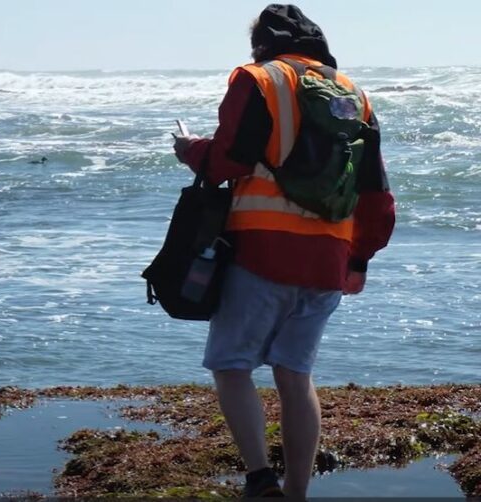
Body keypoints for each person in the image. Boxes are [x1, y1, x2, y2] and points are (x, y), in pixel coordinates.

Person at [172, 4, 395, 498]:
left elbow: (228, 159)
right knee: (296, 375)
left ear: (261, 42)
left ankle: (259, 480)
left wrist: (189, 149)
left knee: (231, 364)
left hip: (262, 252)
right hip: (327, 260)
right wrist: (359, 259)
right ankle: (296, 491)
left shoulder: (259, 79)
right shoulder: (353, 95)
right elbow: (376, 192)